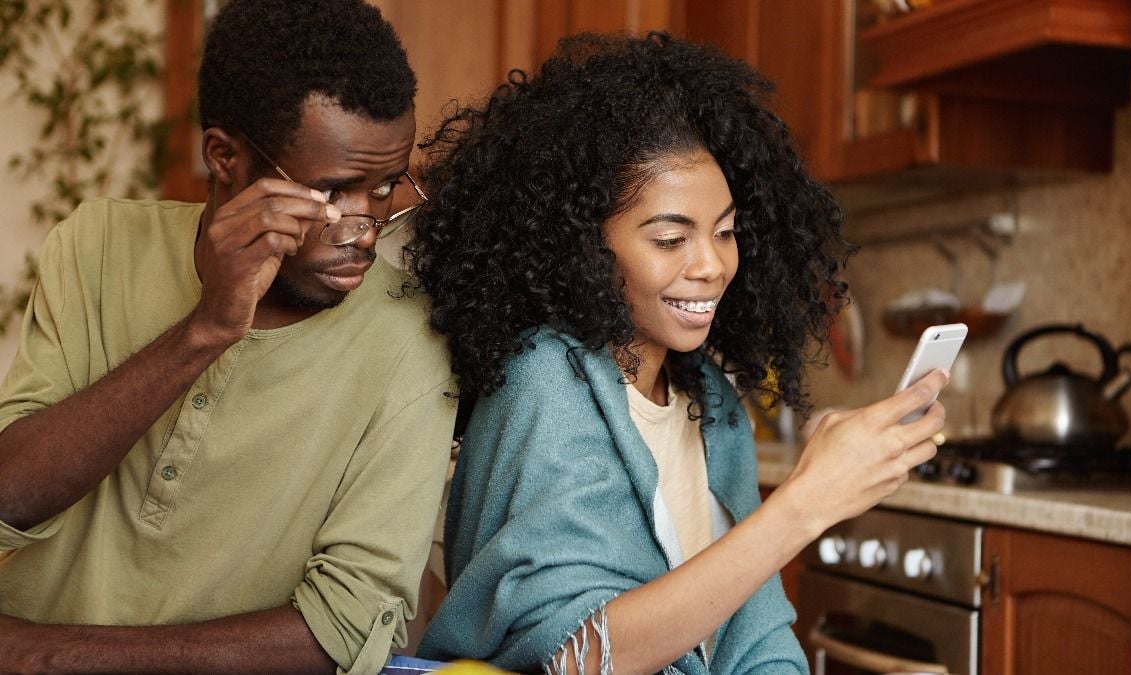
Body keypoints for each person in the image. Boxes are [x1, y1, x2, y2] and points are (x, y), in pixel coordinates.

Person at [408, 33, 949, 674]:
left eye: (725, 233)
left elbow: (754, 627)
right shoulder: (545, 379)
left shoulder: (711, 400)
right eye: (670, 239)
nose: (712, 265)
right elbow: (575, 659)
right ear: (582, 246)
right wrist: (807, 503)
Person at [0, 1, 456, 672]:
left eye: (386, 188)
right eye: (332, 192)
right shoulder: (98, 243)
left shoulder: (410, 338)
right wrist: (205, 329)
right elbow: (11, 492)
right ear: (225, 156)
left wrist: (46, 653)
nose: (362, 230)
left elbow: (341, 627)